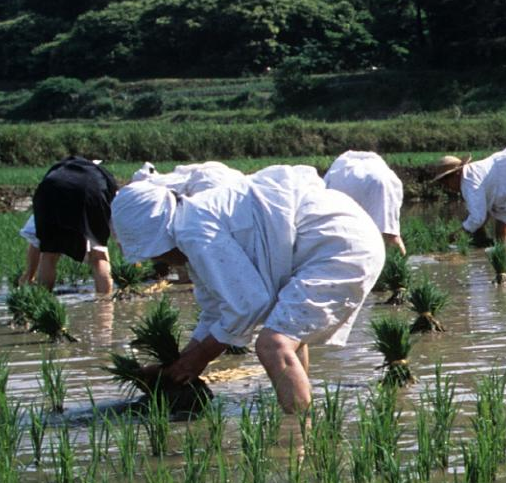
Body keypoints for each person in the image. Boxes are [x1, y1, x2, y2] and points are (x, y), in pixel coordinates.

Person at [110, 165, 384, 413]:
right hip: (340, 238)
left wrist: (200, 356)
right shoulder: (191, 222)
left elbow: (249, 304)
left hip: (336, 245)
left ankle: (300, 438)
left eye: (155, 253)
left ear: (159, 235)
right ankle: (300, 409)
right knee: (286, 335)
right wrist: (181, 363)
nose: (158, 261)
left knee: (274, 344)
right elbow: (216, 310)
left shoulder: (193, 230)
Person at [22, 157, 119, 294]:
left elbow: (36, 240)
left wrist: (29, 275)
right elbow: (116, 228)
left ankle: (43, 300)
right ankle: (105, 305)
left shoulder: (59, 173)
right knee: (98, 256)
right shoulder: (101, 177)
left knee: (49, 253)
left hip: (50, 190)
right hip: (90, 193)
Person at [323, 150, 407, 253]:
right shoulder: (381, 173)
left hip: (343, 188)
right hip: (379, 183)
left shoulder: (337, 171)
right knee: (390, 236)